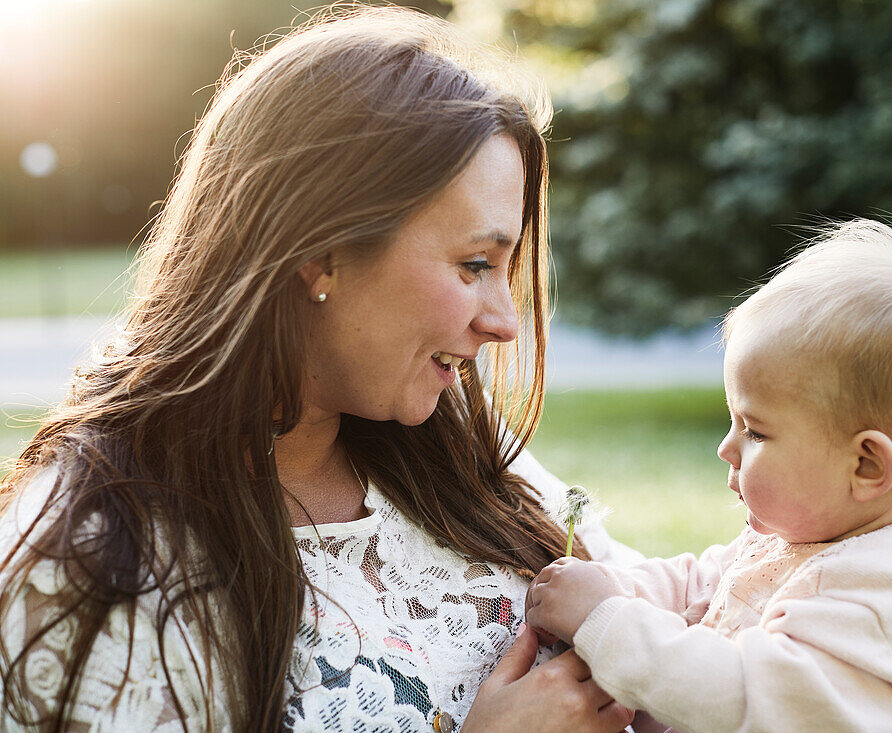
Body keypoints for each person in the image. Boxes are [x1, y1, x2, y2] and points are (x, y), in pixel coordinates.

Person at [0, 6, 639, 731]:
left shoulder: (453, 456)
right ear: (321, 251)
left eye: (506, 267)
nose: (504, 320)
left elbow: (683, 618)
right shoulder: (91, 557)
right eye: (474, 264)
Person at [525, 219, 892, 732]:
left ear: (865, 466)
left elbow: (736, 692)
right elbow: (698, 583)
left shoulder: (878, 601)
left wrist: (605, 620)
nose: (727, 447)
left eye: (756, 431)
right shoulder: (815, 536)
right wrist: (612, 586)